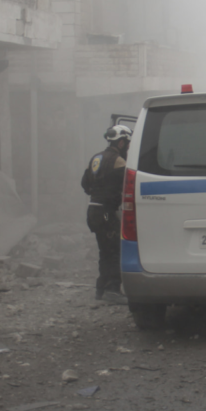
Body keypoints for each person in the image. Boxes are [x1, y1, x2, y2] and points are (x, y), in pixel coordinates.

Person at [81, 124, 132, 303]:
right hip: (107, 212)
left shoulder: (96, 158)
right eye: (127, 143)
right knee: (115, 251)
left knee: (104, 250)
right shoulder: (119, 161)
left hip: (93, 211)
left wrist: (98, 192)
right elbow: (128, 184)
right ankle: (112, 290)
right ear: (120, 143)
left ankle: (100, 289)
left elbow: (85, 184)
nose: (128, 147)